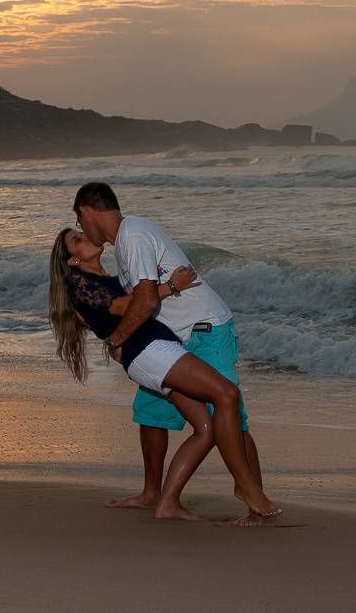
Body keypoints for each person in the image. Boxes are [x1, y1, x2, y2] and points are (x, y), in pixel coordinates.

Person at [73, 182, 274, 525]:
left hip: (204, 331)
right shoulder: (125, 242)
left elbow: (146, 300)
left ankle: (253, 498)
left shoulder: (131, 236)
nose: (82, 230)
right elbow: (132, 301)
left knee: (229, 416)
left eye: (79, 224)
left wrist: (117, 341)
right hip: (171, 340)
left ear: (86, 212)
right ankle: (153, 493)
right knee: (152, 412)